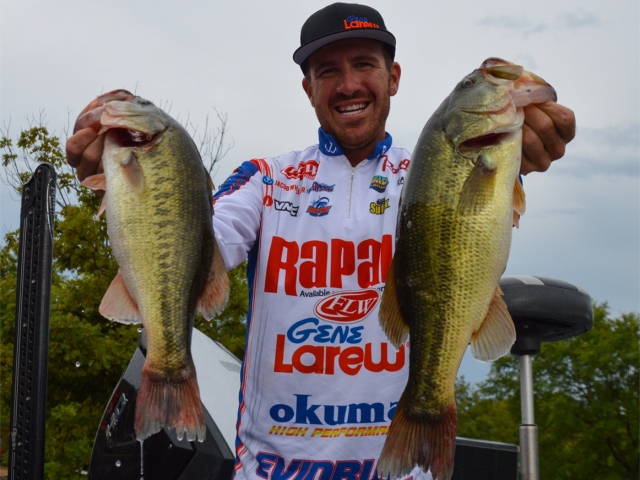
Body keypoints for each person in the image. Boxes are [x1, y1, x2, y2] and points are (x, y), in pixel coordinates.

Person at [66, 4, 576, 480]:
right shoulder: (264, 180)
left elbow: (482, 217)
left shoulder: (431, 171)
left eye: (364, 64)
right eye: (328, 71)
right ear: (308, 88)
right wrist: (142, 188)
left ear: (393, 77)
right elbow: (195, 250)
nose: (348, 84)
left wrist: (520, 156)